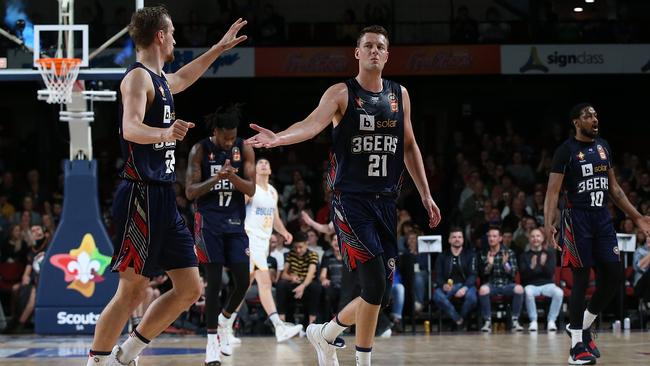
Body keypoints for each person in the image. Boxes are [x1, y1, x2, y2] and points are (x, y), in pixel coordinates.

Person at [246, 25, 441, 366]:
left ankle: (325, 334)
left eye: (381, 46)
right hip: (350, 202)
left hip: (385, 202)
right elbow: (310, 125)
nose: (374, 51)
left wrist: (425, 194)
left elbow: (409, 146)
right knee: (376, 284)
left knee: (376, 293)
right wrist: (279, 138)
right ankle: (349, 350)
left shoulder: (400, 95)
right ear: (357, 53)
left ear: (387, 54)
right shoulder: (341, 93)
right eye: (368, 46)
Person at [86, 6, 247, 366]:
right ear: (160, 35)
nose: (175, 38)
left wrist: (218, 49)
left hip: (163, 198)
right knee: (131, 292)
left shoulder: (159, 79)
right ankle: (96, 361)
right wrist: (165, 132)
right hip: (139, 196)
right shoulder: (137, 79)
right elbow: (129, 128)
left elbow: (185, 77)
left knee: (190, 288)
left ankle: (125, 353)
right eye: (172, 32)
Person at [544, 103, 650, 365]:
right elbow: (552, 192)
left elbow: (614, 189)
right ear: (576, 123)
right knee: (581, 280)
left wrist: (636, 217)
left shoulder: (603, 146)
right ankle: (576, 346)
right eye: (587, 115)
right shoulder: (565, 151)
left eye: (595, 115)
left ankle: (583, 325)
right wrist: (549, 223)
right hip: (576, 219)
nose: (594, 118)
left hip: (602, 218)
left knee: (613, 277)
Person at [186, 104, 255, 365]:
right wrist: (217, 179)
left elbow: (250, 190)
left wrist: (232, 178)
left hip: (235, 223)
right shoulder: (200, 150)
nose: (229, 142)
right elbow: (190, 192)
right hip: (208, 224)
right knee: (214, 284)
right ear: (215, 132)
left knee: (242, 280)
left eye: (232, 137)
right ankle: (211, 343)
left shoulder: (244, 147)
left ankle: (226, 320)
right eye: (225, 137)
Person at [243, 158, 302, 342]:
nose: (263, 165)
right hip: (251, 239)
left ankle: (224, 325)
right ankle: (279, 327)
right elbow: (237, 211)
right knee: (265, 284)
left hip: (263, 242)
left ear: (270, 169)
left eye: (266, 163)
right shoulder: (251, 189)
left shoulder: (273, 192)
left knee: (242, 287)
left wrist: (284, 232)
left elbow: (274, 217)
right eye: (259, 163)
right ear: (255, 169)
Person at [478, 227, 524, 332]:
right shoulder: (484, 253)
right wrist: (489, 264)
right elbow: (482, 274)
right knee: (483, 290)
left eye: (494, 236)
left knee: (519, 289)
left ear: (500, 238)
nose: (491, 239)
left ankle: (515, 321)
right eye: (489, 236)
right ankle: (487, 322)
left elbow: (513, 273)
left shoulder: (508, 252)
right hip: (491, 284)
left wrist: (505, 264)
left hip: (506, 284)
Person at [432, 228, 477, 330]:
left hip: (466, 286)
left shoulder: (470, 254)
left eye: (459, 237)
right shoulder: (442, 256)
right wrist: (443, 285)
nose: (457, 239)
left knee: (472, 298)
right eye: (454, 237)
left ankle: (457, 320)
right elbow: (437, 275)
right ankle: (459, 320)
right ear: (449, 240)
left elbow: (473, 275)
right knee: (437, 296)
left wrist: (464, 288)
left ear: (463, 240)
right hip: (448, 287)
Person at [519, 228, 562, 332]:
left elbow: (550, 273)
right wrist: (532, 267)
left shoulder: (549, 254)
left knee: (559, 292)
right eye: (533, 236)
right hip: (531, 285)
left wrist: (543, 265)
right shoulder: (524, 256)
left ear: (542, 238)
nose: (535, 239)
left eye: (538, 236)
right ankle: (533, 321)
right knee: (528, 291)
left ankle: (551, 320)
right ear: (529, 239)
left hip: (547, 284)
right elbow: (524, 276)